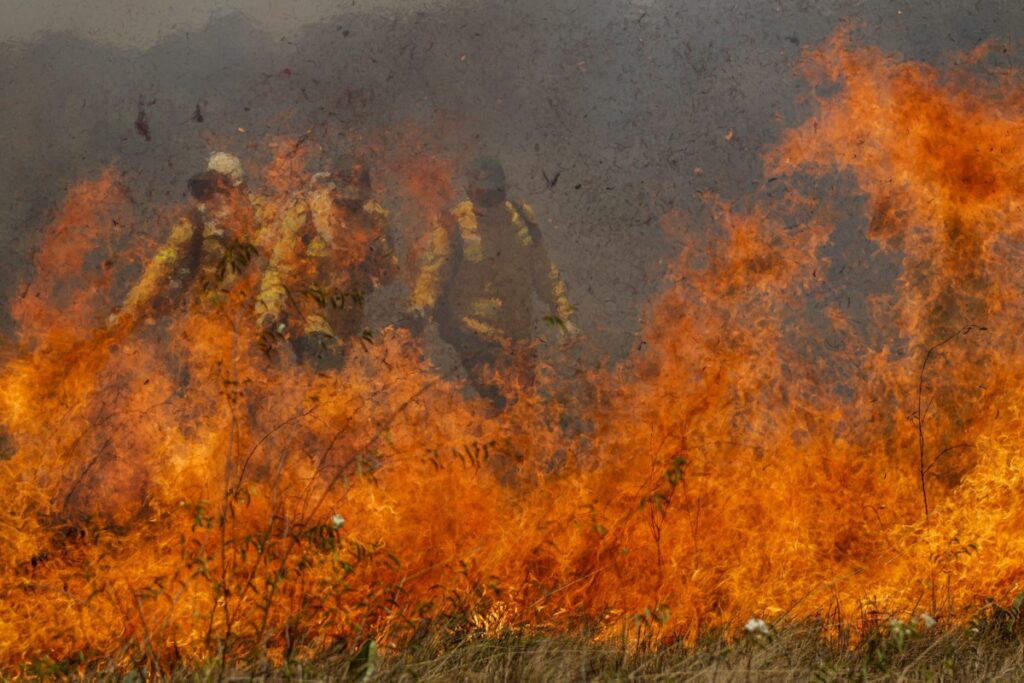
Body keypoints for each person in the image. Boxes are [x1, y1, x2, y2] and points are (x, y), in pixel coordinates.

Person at [409, 156, 577, 406]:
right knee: (494, 404)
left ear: (504, 188)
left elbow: (544, 270)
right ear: (469, 191)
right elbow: (433, 275)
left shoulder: (521, 217)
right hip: (474, 337)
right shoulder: (453, 225)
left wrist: (563, 314)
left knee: (521, 408)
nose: (489, 199)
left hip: (518, 338)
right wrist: (420, 306)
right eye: (482, 193)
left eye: (494, 191)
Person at [255, 155, 396, 367]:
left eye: (357, 203)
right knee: (324, 363)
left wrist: (379, 254)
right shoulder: (309, 215)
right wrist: (269, 310)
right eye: (347, 203)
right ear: (335, 190)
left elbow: (388, 276)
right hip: (309, 317)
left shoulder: (373, 221)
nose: (351, 209)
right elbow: (279, 269)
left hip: (348, 321)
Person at [109, 151, 265, 328]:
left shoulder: (264, 217)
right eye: (210, 191)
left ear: (239, 190)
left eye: (221, 190)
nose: (213, 199)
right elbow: (162, 265)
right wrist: (129, 311)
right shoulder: (195, 221)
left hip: (252, 318)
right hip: (207, 320)